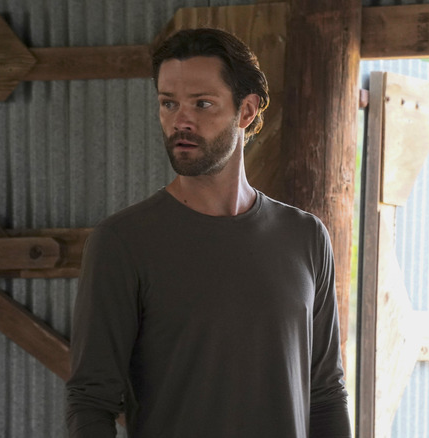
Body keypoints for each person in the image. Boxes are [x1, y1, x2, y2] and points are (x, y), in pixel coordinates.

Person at [65, 28, 351, 437]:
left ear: (246, 111)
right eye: (168, 103)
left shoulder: (305, 237)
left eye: (202, 103)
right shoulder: (123, 242)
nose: (180, 120)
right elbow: (90, 400)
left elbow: (325, 393)